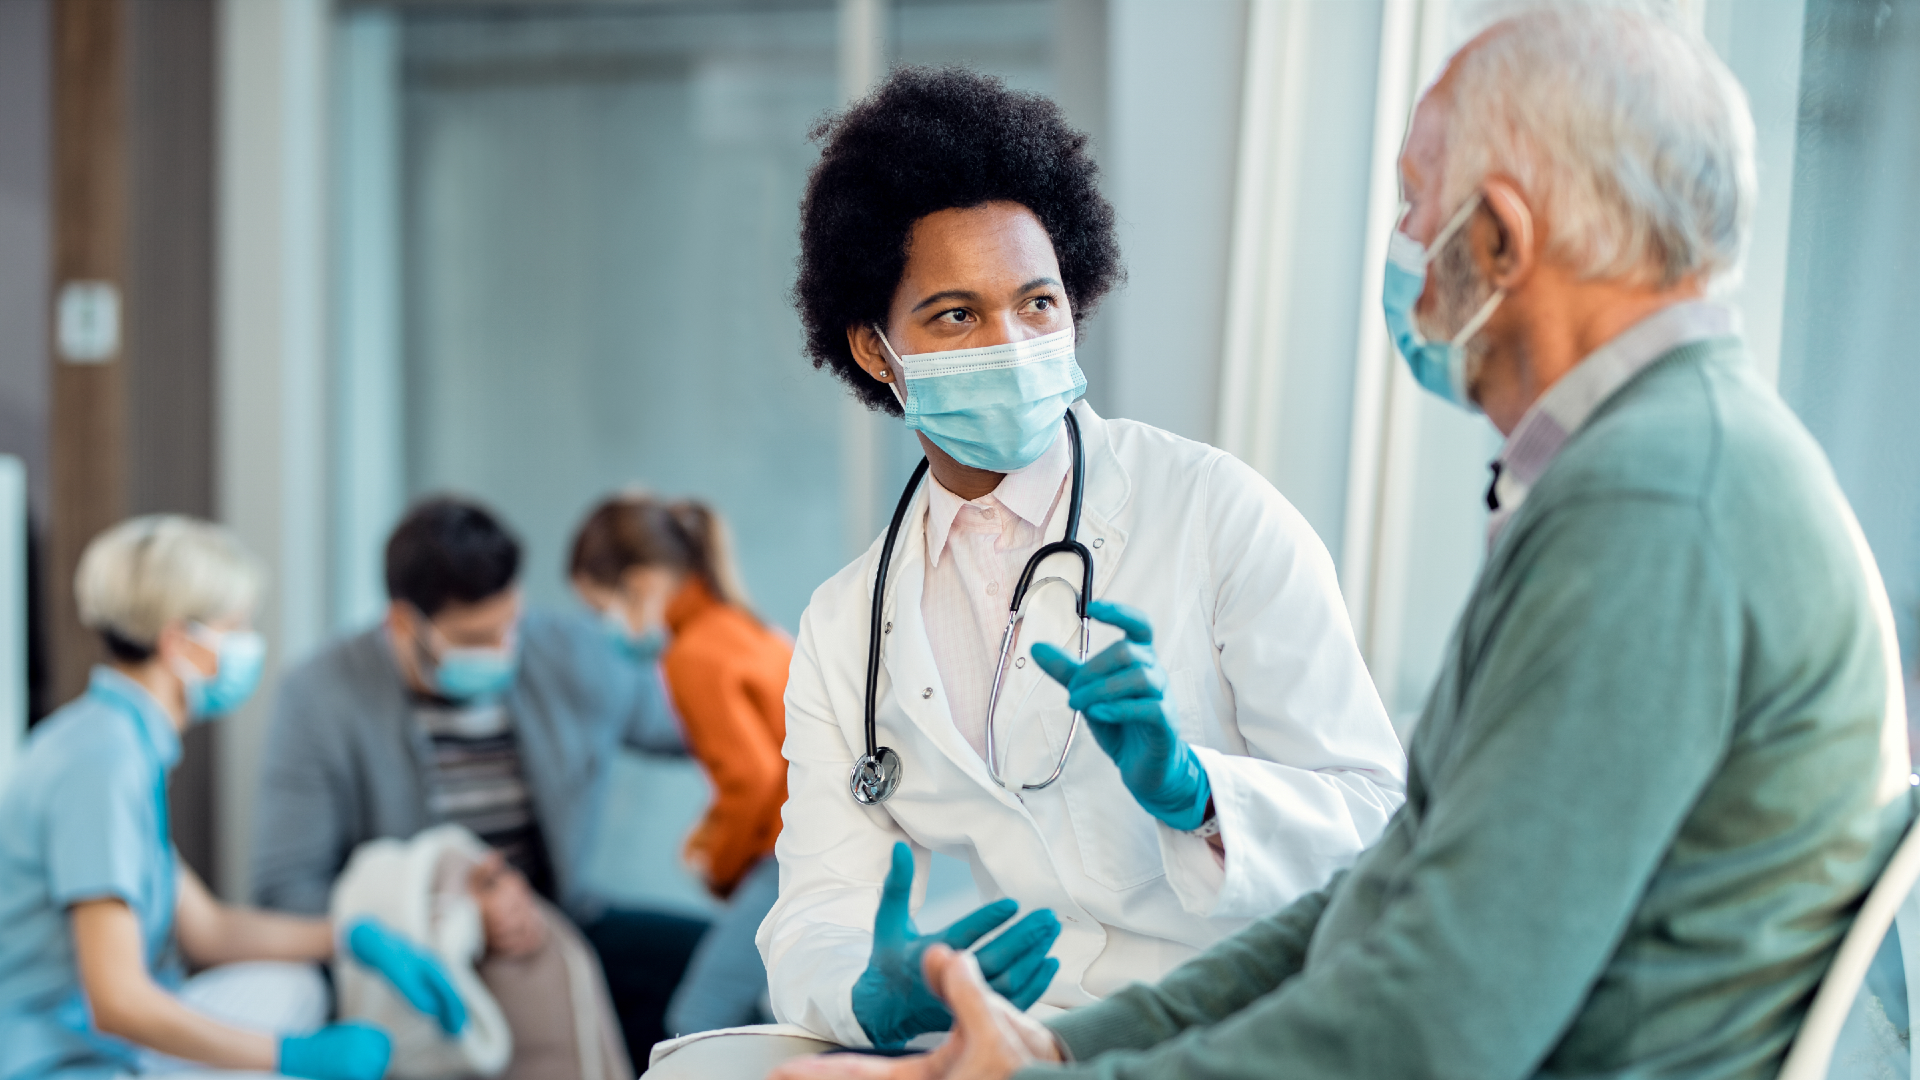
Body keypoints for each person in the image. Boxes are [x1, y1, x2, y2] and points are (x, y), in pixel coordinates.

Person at [763, 7, 1914, 1080]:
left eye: (1417, 205)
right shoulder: (1643, 476)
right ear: (877, 347)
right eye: (956, 314)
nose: (1403, 244)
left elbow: (1445, 1015)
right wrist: (1063, 1059)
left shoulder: (1660, 511)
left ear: (1499, 235)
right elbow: (1388, 895)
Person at [648, 66, 1408, 1072]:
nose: (1012, 343)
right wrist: (874, 991)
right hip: (1019, 1038)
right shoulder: (847, 624)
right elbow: (819, 907)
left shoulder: (1215, 513)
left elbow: (1378, 821)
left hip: (1232, 1027)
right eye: (957, 316)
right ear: (876, 351)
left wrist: (1197, 795)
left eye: (1037, 302)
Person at [0, 515, 466, 1080]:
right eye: (237, 627)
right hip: (61, 1063)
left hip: (99, 1045)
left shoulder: (115, 741)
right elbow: (117, 1000)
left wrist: (348, 936)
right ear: (180, 643)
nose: (249, 646)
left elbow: (209, 930)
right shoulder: (103, 764)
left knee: (292, 989)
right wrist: (292, 1057)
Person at [251, 497, 700, 1060]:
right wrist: (453, 914)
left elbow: (696, 727)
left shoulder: (566, 653)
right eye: (474, 639)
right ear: (402, 621)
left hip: (557, 919)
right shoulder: (320, 697)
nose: (501, 650)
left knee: (710, 974)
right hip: (416, 949)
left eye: (509, 626)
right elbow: (285, 892)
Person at [570, 494, 794, 1035]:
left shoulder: (694, 653)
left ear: (642, 585)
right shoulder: (743, 626)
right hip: (824, 848)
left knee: (696, 1023)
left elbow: (754, 781)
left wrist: (718, 867)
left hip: (792, 859)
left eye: (603, 611)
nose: (607, 629)